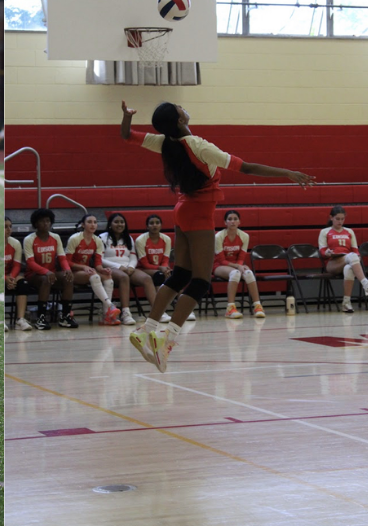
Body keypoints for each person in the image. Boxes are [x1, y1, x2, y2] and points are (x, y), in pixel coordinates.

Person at [121, 101, 315, 372]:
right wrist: (288, 174)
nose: (183, 107)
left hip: (183, 209)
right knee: (200, 282)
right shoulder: (198, 145)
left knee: (180, 275)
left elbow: (127, 136)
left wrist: (127, 118)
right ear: (179, 120)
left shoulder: (165, 142)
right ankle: (166, 340)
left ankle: (147, 329)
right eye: (179, 107)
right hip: (198, 211)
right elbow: (246, 168)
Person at [99, 212, 165, 326]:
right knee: (124, 277)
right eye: (116, 222)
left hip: (127, 267)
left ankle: (157, 312)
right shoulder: (102, 237)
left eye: (122, 222)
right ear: (110, 224)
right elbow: (100, 259)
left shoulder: (128, 237)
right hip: (110, 268)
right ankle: (126, 313)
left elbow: (133, 257)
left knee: (147, 278)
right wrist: (119, 267)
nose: (119, 224)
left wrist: (130, 267)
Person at [22, 208, 77, 330]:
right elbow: (30, 262)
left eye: (48, 221)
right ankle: (41, 318)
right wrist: (46, 272)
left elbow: (62, 258)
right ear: (36, 223)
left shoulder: (55, 237)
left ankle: (65, 316)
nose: (46, 223)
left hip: (51, 273)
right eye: (42, 221)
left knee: (68, 278)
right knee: (46, 279)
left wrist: (67, 269)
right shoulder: (29, 239)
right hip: (34, 275)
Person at [318, 205, 368, 313]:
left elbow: (355, 249)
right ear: (331, 217)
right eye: (337, 219)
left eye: (342, 219)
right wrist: (327, 252)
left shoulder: (349, 231)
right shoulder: (325, 232)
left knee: (348, 268)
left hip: (348, 260)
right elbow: (322, 251)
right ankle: (366, 284)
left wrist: (357, 257)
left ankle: (346, 303)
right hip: (332, 263)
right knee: (352, 256)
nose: (340, 222)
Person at [66, 214, 120, 325]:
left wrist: (104, 270)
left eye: (95, 222)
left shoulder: (98, 240)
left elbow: (98, 264)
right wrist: (83, 267)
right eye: (89, 222)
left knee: (108, 277)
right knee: (94, 275)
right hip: (73, 272)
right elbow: (67, 262)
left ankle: (106, 316)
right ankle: (110, 306)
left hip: (87, 271)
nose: (93, 225)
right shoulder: (75, 238)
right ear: (83, 225)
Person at [213, 210, 265, 319]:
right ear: (225, 222)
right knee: (235, 273)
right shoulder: (218, 236)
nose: (232, 221)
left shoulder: (244, 236)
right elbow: (221, 260)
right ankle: (230, 308)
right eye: (230, 219)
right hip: (218, 266)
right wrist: (238, 266)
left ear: (239, 222)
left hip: (235, 265)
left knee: (249, 273)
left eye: (235, 219)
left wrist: (240, 265)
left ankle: (257, 306)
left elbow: (241, 257)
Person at [5, 216, 33, 331]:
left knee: (23, 282)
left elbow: (17, 265)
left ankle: (20, 319)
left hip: (9, 276)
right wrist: (5, 278)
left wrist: (11, 278)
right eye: (5, 227)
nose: (9, 229)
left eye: (10, 226)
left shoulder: (15, 243)